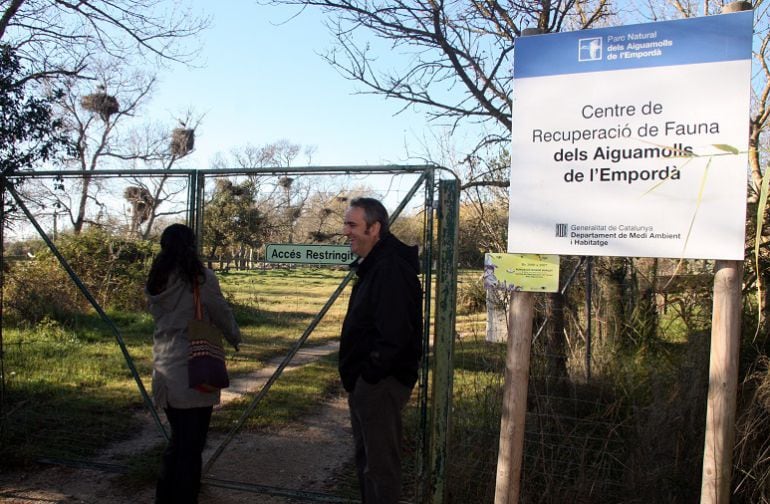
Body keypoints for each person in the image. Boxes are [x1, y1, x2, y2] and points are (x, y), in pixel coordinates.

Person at [145, 223, 241, 504]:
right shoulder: (201, 278)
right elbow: (221, 312)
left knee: (178, 443)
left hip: (164, 368)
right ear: (191, 245)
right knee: (191, 447)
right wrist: (234, 336)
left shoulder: (157, 279)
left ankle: (165, 498)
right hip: (194, 369)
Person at [339, 197, 423, 504]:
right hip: (370, 383)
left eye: (352, 224)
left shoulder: (390, 269)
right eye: (345, 223)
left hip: (380, 384)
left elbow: (396, 333)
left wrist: (369, 375)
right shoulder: (375, 265)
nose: (345, 231)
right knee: (368, 464)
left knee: (380, 467)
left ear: (374, 228)